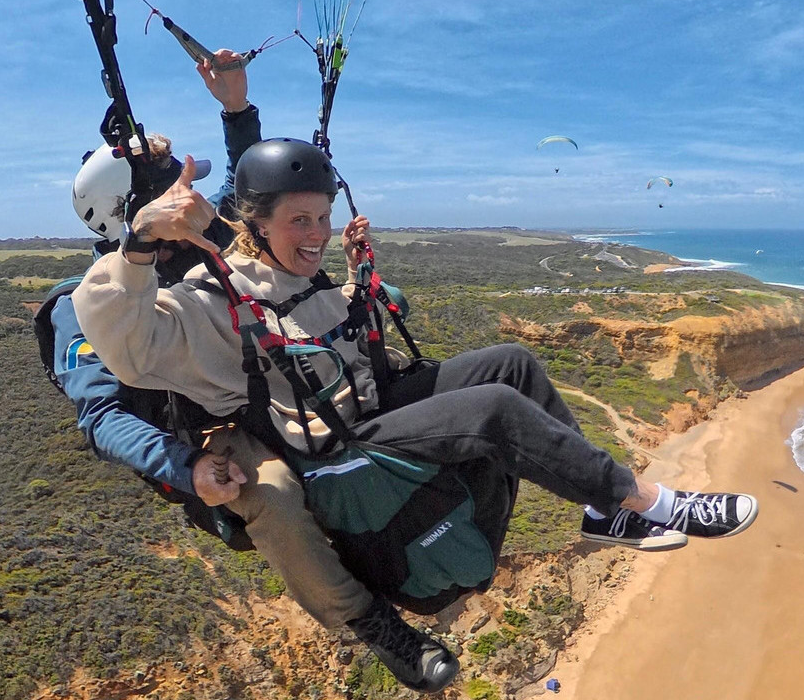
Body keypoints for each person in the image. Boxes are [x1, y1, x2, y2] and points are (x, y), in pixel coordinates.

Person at [73, 138, 759, 693]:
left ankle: (603, 513)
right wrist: (139, 243)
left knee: (512, 365)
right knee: (493, 410)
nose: (316, 234)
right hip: (331, 450)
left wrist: (357, 281)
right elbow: (125, 341)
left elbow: (333, 334)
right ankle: (654, 502)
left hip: (370, 407)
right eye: (299, 221)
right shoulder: (208, 301)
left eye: (322, 217)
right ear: (254, 224)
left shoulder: (303, 277)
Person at [37, 50, 260, 539]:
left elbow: (239, 191)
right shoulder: (86, 307)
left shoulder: (190, 240)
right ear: (136, 216)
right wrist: (190, 468)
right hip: (213, 449)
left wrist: (236, 109)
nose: (194, 201)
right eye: (177, 194)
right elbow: (102, 416)